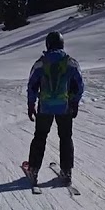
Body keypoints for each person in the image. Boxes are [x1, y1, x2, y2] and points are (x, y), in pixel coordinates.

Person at [25, 31, 85, 186]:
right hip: (64, 107)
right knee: (65, 137)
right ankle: (66, 171)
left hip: (44, 107)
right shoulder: (70, 62)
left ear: (48, 44)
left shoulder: (40, 63)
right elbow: (79, 86)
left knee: (40, 136)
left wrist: (31, 104)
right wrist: (74, 102)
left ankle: (33, 169)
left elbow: (32, 85)